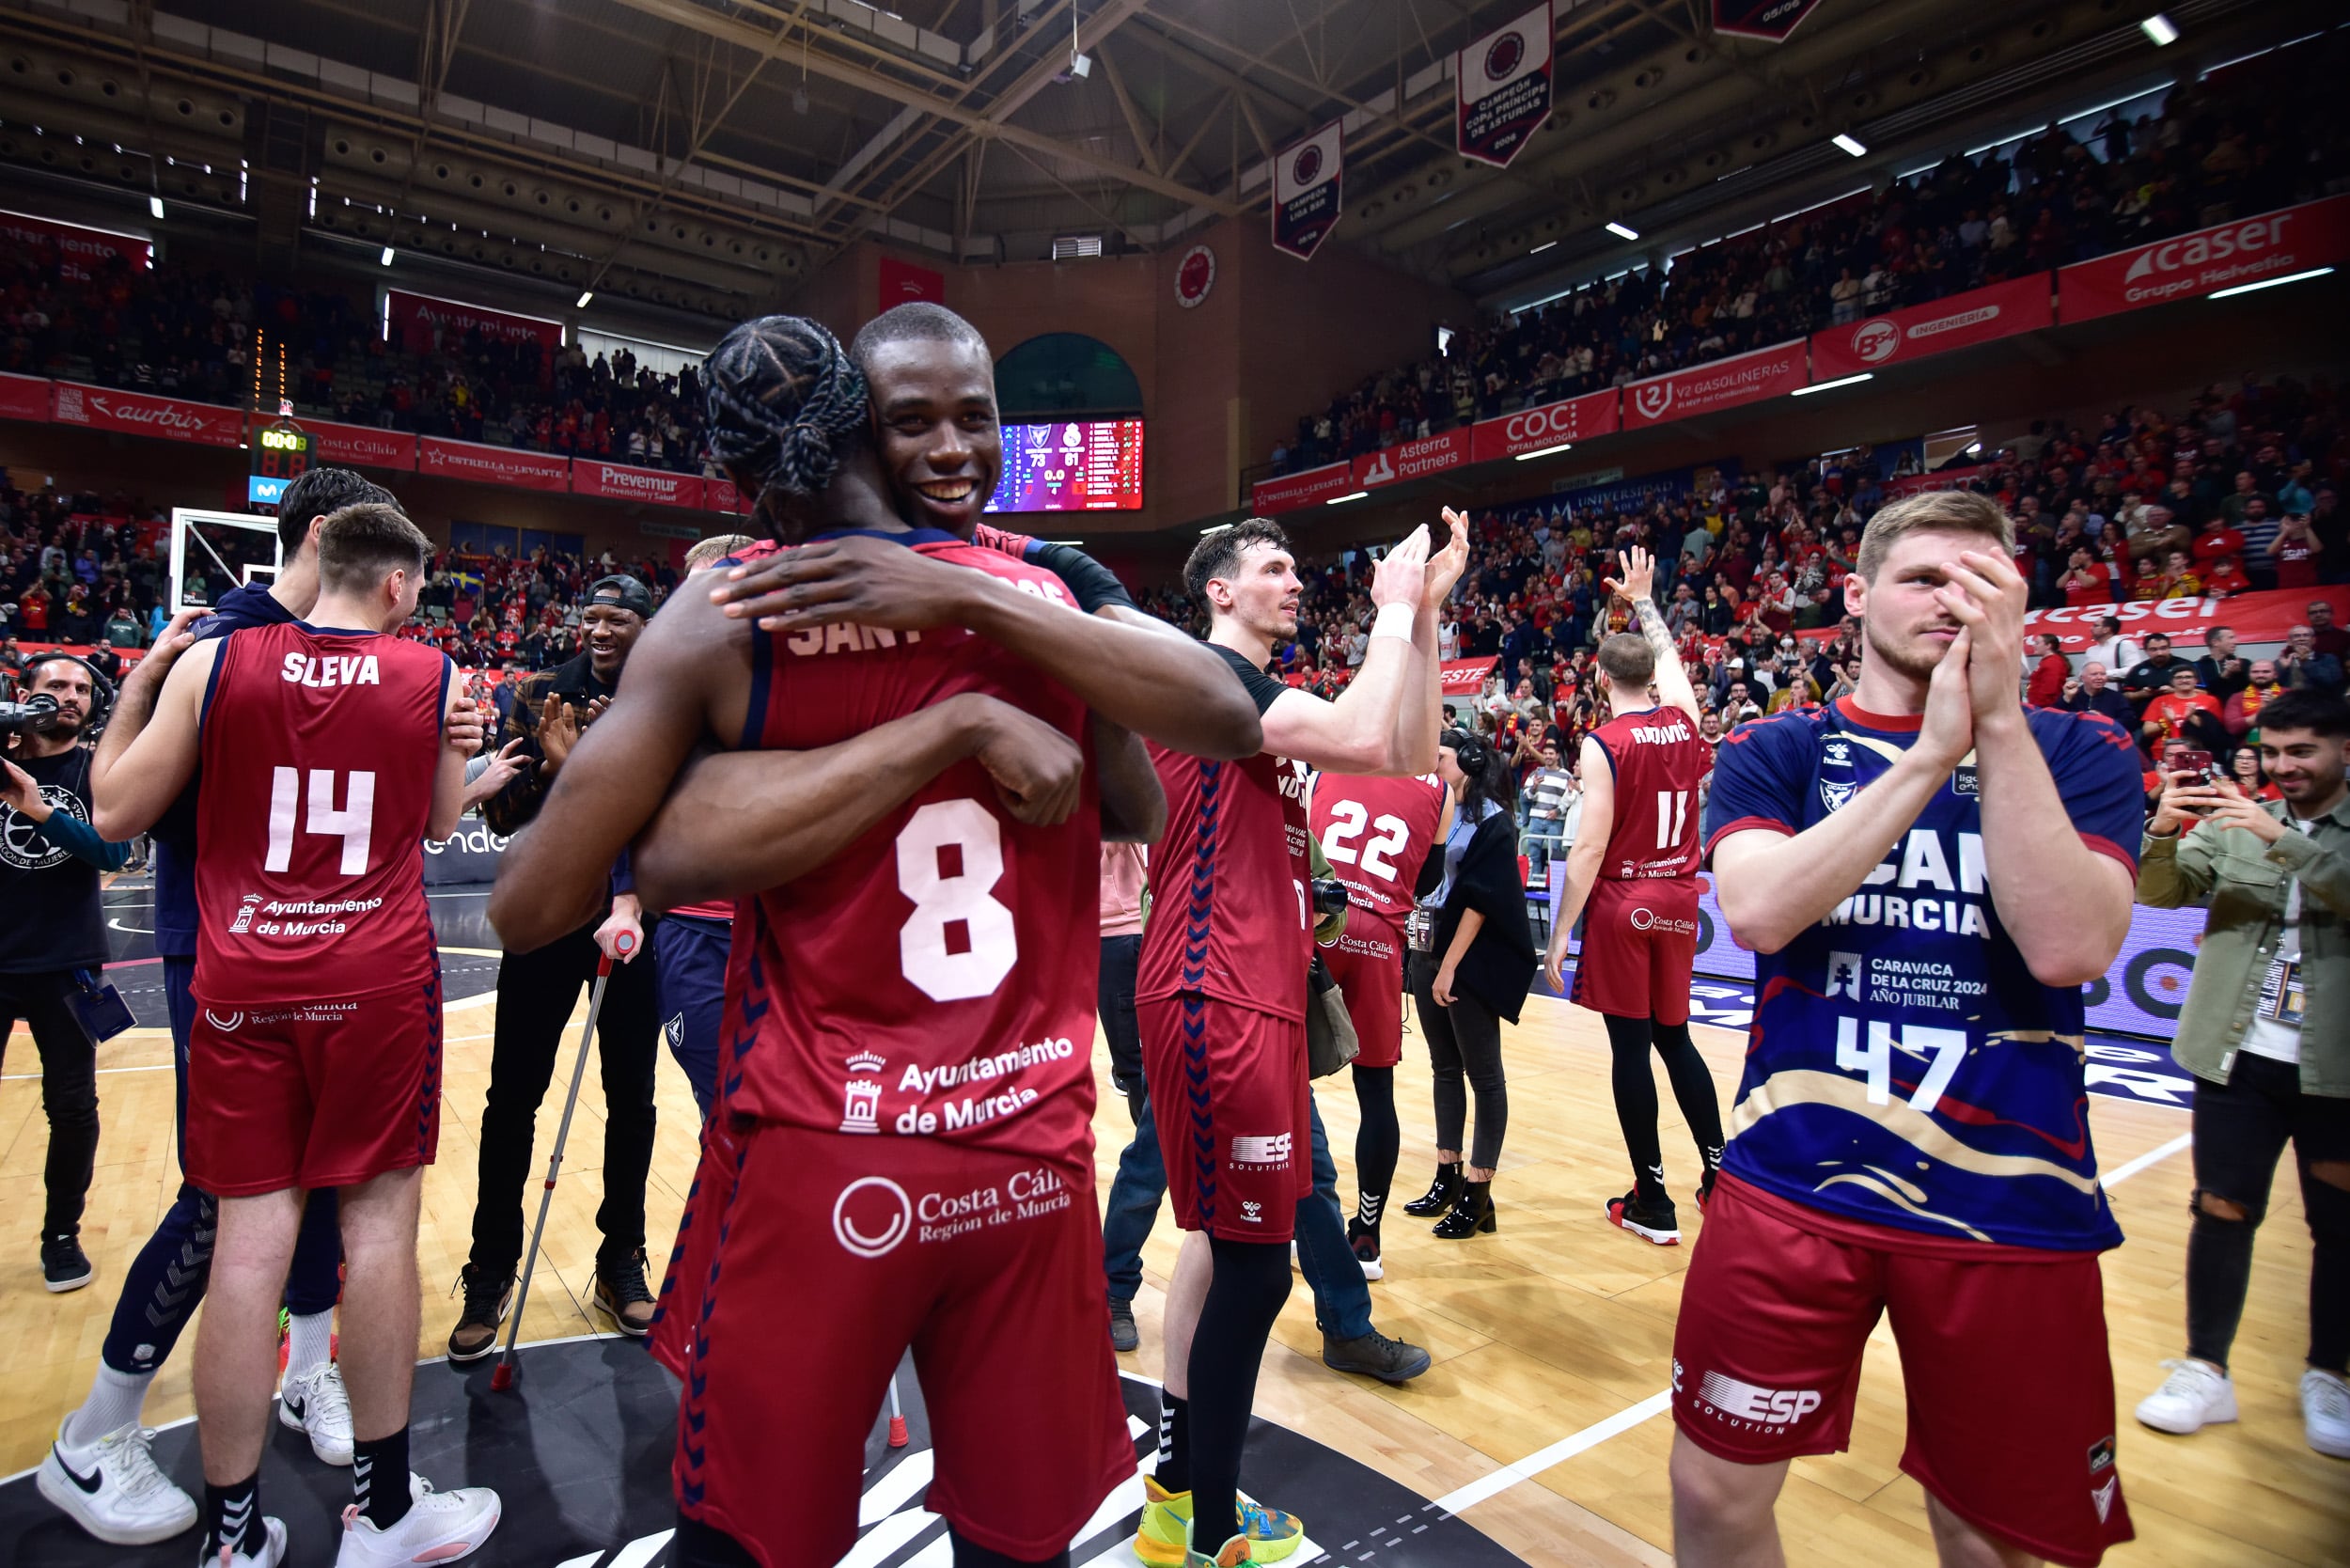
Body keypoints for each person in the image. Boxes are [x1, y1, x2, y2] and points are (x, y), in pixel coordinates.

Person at [486, 307, 1264, 1568]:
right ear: (861, 424)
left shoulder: (739, 607)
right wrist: (958, 704)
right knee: (1018, 1547)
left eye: (975, 417)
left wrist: (674, 832)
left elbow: (534, 904)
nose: (954, 446)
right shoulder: (1047, 595)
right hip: (1026, 1144)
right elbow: (1166, 777)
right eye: (917, 421)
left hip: (829, 1152)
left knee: (746, 1542)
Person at [1679, 490, 2145, 1567]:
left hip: (2009, 1205)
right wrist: (1929, 758)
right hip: (1792, 1187)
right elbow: (1756, 910)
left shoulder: (2082, 752)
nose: (1953, 603)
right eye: (1925, 578)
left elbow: (2070, 948)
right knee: (1712, 1494)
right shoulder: (1777, 749)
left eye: (1982, 583)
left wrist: (1989, 727)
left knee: (1991, 1540)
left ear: (2021, 605)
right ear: (1854, 596)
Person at [87, 502, 499, 1568]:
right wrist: (453, 740)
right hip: (371, 985)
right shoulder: (433, 676)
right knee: (375, 1234)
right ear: (400, 585)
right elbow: (441, 827)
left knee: (244, 1251)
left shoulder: (215, 666)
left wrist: (138, 682)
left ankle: (232, 1538)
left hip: (241, 976)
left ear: (322, 561)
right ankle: (384, 1515)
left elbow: (116, 814)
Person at [1135, 510, 1458, 1568]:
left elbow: (1409, 756)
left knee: (1216, 1248)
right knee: (1256, 1271)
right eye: (1272, 569)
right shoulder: (1211, 681)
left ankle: (1182, 1493)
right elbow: (1369, 737)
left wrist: (1429, 618)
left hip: (1245, 990)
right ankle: (1214, 1533)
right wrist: (1395, 609)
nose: (1292, 583)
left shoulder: (1251, 700)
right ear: (1219, 591)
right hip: (1215, 988)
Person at [2129, 689, 2349, 1460]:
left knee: (2339, 1226)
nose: (2286, 767)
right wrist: (2161, 825)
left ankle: (2329, 1374)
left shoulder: (2287, 829)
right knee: (2220, 1209)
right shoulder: (2239, 822)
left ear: (2341, 750)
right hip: (2237, 1056)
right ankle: (2205, 1370)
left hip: (2337, 1068)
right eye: (2276, 751)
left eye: (2304, 752)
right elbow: (2159, 892)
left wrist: (2282, 841)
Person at [449, 572, 666, 1356]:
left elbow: (674, 819)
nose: (600, 630)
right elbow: (504, 817)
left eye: (617, 618)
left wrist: (597, 770)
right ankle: (489, 1268)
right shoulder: (540, 689)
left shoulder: (667, 695)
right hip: (546, 918)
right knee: (513, 1101)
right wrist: (553, 766)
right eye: (592, 617)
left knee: (632, 1102)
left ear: (648, 624)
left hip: (632, 918)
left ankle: (620, 1261)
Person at [1537, 548, 1723, 1245]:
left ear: (1599, 676)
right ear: (1649, 676)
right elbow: (1674, 669)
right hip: (1680, 897)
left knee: (1630, 1050)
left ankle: (1653, 1197)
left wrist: (1560, 934)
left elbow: (1587, 849)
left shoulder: (1602, 742)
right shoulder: (1683, 718)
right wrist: (1646, 599)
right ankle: (1719, 1177)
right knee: (1677, 1040)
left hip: (1625, 902)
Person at [1, 652, 129, 1292]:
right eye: (55, 685)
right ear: (24, 693)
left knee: (72, 1107)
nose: (70, 696)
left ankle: (61, 1234)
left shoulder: (96, 770)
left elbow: (116, 850)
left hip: (68, 961)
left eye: (81, 688)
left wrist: (40, 810)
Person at [1308, 762, 1445, 1277]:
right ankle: (1367, 1239)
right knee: (1376, 1093)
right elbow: (1429, 876)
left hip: (1319, 923)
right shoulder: (1437, 787)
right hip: (1379, 939)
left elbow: (1303, 845)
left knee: (1289, 1080)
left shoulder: (1326, 766)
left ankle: (1294, 1223)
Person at [1402, 729, 1538, 1238]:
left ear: (1470, 760)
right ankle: (1447, 1176)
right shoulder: (1436, 810)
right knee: (1444, 1069)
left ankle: (1479, 1194)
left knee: (1484, 1076)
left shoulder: (1494, 822)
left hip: (1468, 960)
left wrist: (1451, 965)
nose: (1431, 762)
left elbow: (1482, 901)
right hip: (1428, 948)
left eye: (1438, 755)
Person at [643, 533, 759, 1119]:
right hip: (695, 929)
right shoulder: (664, 691)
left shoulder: (803, 681)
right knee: (721, 1107)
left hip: (778, 930)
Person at [1518, 741, 1575, 881]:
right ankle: (1534, 886)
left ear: (1557, 756)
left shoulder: (1566, 775)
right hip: (1536, 819)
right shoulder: (1536, 773)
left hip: (1555, 821)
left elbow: (1570, 798)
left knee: (1554, 858)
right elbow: (1526, 796)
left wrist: (1558, 811)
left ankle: (1552, 887)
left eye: (1551, 754)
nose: (1548, 756)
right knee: (1534, 855)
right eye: (1545, 754)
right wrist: (1534, 787)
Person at [2027, 633, 2073, 708]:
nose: (2034, 645)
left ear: (2048, 646)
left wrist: (2038, 707)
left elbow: (2050, 689)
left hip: (2044, 707)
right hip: (2039, 706)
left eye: (2037, 643)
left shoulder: (2053, 662)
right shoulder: (2047, 661)